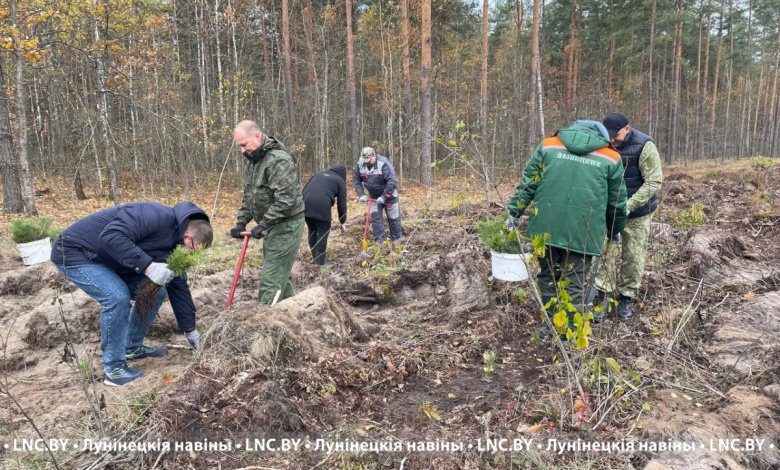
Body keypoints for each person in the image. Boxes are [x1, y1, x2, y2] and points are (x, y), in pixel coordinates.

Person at [50, 201, 213, 387]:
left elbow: (178, 286)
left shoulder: (176, 244)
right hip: (76, 251)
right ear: (187, 236)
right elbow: (111, 236)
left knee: (156, 291)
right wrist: (149, 266)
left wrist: (190, 331)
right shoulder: (153, 215)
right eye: (192, 250)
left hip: (108, 259)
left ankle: (132, 347)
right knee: (117, 297)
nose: (189, 255)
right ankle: (114, 368)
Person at [506, 120, 628, 338]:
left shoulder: (548, 145)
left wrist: (514, 213)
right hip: (584, 231)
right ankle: (568, 334)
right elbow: (616, 202)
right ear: (601, 136)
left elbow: (529, 183)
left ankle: (550, 327)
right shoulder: (611, 158)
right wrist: (614, 229)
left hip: (545, 228)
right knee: (574, 284)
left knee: (548, 276)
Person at [592, 112, 664, 321]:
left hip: (637, 213)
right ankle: (603, 296)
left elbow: (654, 181)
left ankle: (626, 298)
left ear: (627, 128)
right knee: (605, 253)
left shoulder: (644, 146)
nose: (612, 140)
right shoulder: (602, 144)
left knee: (633, 257)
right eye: (609, 136)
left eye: (616, 135)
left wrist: (629, 205)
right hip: (609, 212)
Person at [229, 120, 305, 304]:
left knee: (271, 279)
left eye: (244, 145)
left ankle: (264, 325)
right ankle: (291, 314)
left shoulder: (278, 160)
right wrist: (242, 221)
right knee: (280, 274)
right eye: (239, 146)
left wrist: (264, 224)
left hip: (286, 225)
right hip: (273, 226)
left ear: (257, 136)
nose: (242, 151)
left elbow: (286, 200)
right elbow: (250, 195)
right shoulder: (254, 162)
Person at [352, 147, 402, 246]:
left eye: (369, 160)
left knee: (394, 220)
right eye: (365, 160)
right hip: (373, 198)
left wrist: (384, 197)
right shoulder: (360, 164)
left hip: (390, 196)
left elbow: (392, 182)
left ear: (374, 155)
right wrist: (361, 194)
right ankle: (380, 244)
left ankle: (397, 243)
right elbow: (356, 180)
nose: (367, 162)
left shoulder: (383, 163)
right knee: (376, 221)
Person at [302, 165, 348, 266]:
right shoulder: (340, 180)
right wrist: (343, 221)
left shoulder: (318, 174)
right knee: (323, 232)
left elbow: (304, 189)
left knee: (312, 229)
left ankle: (315, 259)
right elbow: (342, 204)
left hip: (305, 202)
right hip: (321, 204)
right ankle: (320, 264)